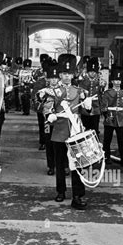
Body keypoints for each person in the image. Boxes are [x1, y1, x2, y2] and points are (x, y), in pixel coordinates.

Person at [43, 54, 93, 209]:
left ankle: (78, 194)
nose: (66, 76)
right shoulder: (54, 91)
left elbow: (87, 112)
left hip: (75, 131)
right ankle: (61, 191)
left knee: (78, 163)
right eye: (64, 74)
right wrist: (49, 114)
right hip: (59, 131)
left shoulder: (79, 91)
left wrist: (88, 106)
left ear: (73, 75)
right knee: (59, 164)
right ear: (60, 75)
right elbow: (48, 106)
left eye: (69, 74)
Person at [101, 65, 123, 167]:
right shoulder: (107, 93)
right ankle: (106, 157)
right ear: (112, 81)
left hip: (120, 119)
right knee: (107, 140)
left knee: (121, 140)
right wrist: (107, 116)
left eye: (119, 80)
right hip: (110, 119)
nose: (118, 82)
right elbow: (104, 107)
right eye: (115, 80)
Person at [38, 61, 59, 175]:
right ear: (48, 79)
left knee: (61, 144)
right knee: (49, 143)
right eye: (52, 78)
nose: (54, 80)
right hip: (47, 121)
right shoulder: (43, 91)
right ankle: (50, 166)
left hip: (60, 120)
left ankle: (63, 165)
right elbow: (37, 105)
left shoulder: (63, 90)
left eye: (56, 78)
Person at [78, 56, 105, 138]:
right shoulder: (82, 80)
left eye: (94, 71)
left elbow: (102, 93)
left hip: (96, 108)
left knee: (95, 130)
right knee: (85, 128)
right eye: (90, 71)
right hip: (84, 109)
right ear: (87, 71)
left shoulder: (100, 81)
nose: (92, 73)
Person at [32, 54, 50, 150]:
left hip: (51, 107)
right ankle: (43, 141)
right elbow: (34, 95)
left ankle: (47, 141)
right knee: (42, 125)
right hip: (42, 107)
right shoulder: (40, 81)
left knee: (48, 125)